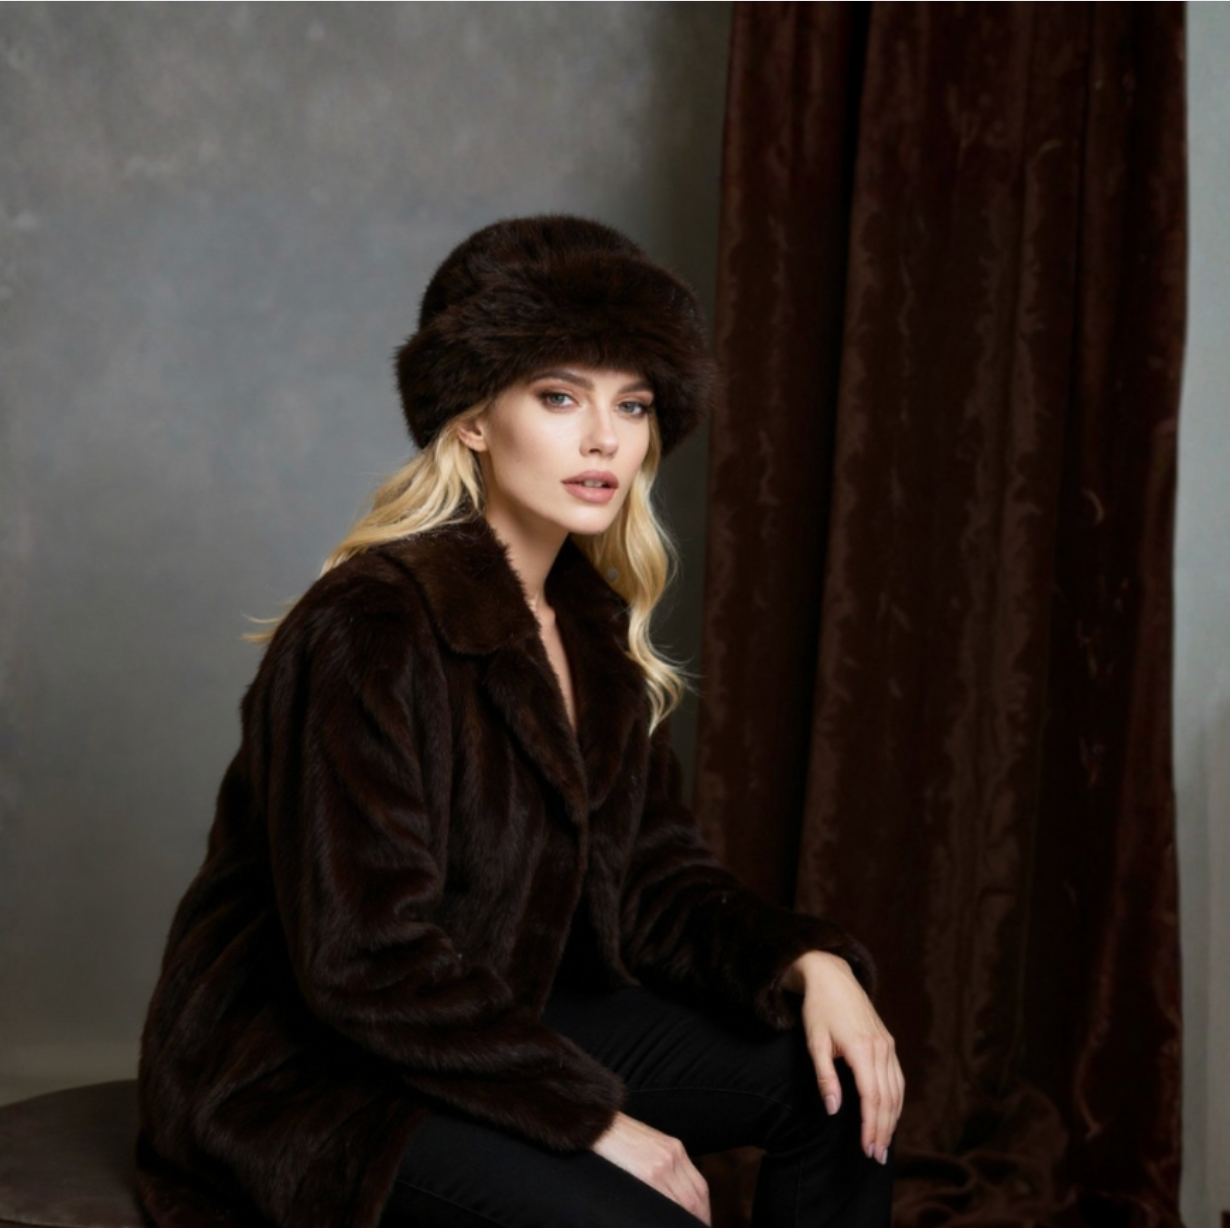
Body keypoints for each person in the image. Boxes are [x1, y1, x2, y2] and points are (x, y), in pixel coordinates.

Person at [134, 214, 903, 1228]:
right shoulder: (369, 626)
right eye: (559, 396)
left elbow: (652, 881)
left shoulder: (593, 629)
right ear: (472, 418)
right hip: (313, 1072)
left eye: (632, 404)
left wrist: (809, 962)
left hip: (497, 1017)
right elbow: (363, 957)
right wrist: (587, 1116)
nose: (604, 439)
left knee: (833, 1084)